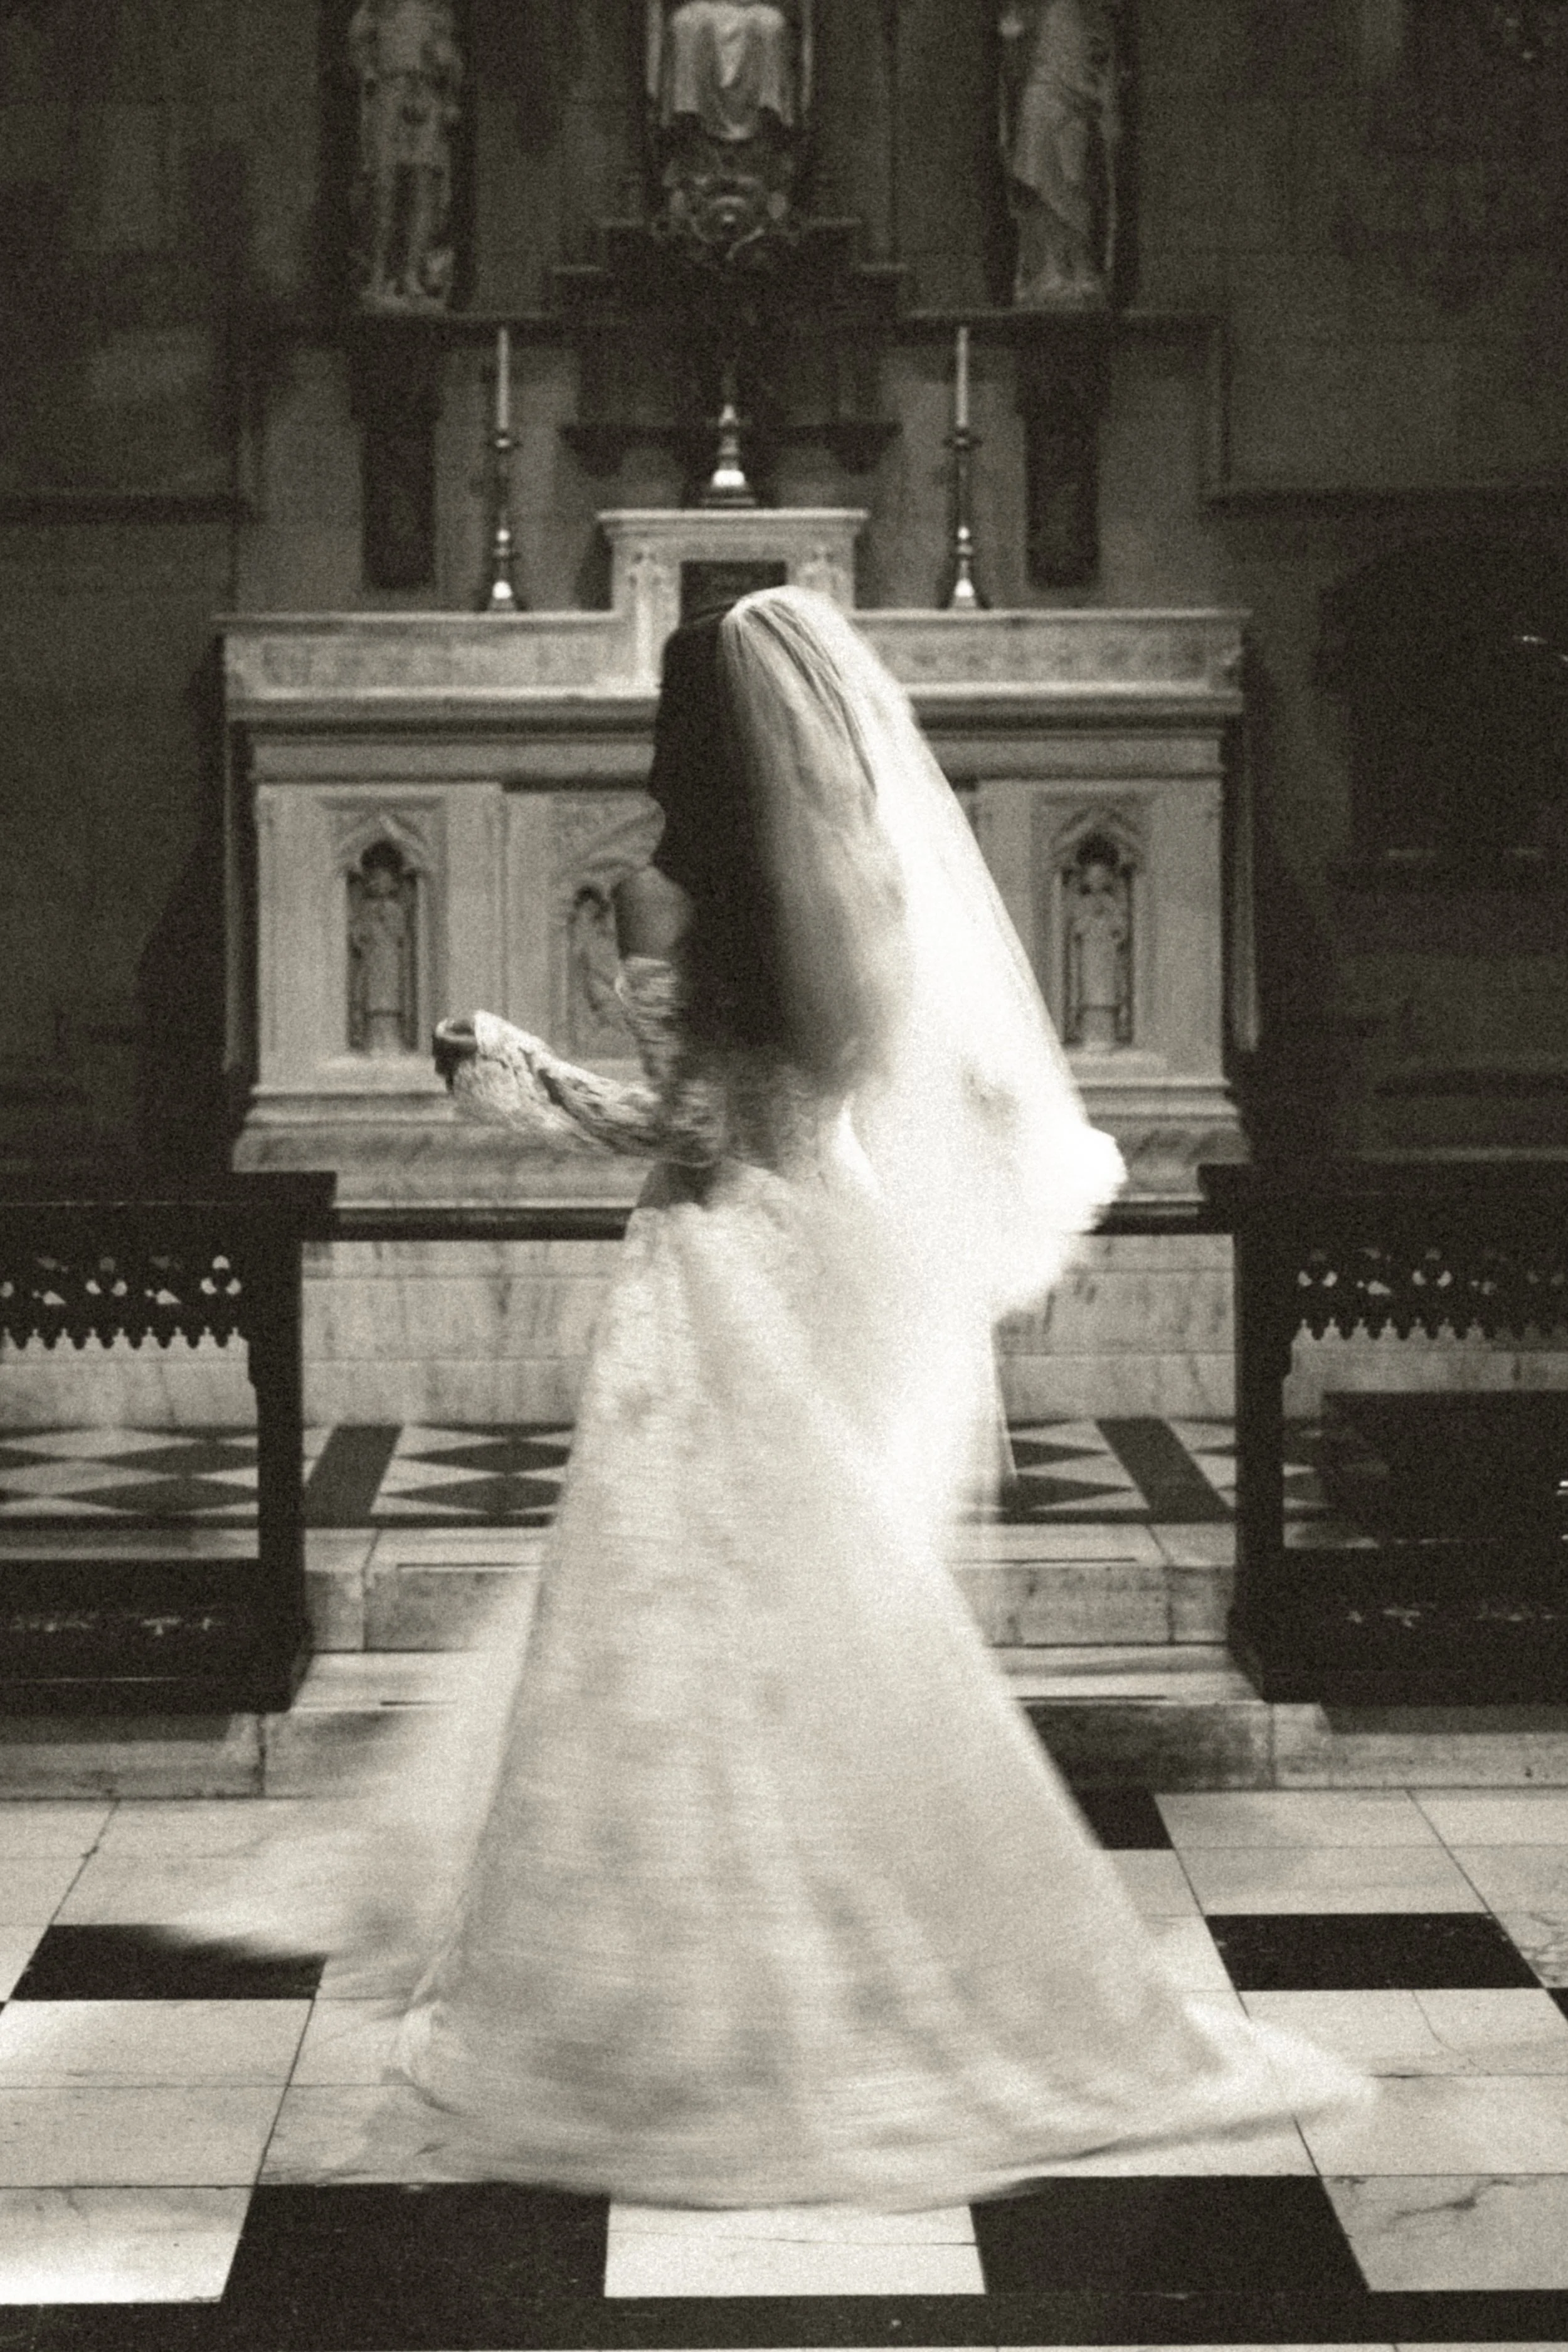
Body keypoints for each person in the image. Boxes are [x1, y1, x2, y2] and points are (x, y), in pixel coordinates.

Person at [195, 589, 1367, 2205]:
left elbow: (686, 1137)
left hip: (717, 1269)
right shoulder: (865, 878)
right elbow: (847, 1102)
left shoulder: (664, 893)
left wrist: (522, 1078)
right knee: (828, 1609)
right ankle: (853, 1922)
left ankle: (686, 1965)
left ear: (685, 742)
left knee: (678, 1611)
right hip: (833, 1249)